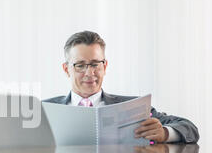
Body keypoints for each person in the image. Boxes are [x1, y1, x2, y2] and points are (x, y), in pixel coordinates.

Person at [44, 31, 199, 143]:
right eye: (80, 65)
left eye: (95, 64)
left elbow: (189, 128)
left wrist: (164, 133)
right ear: (66, 69)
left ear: (105, 66)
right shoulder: (44, 110)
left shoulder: (134, 107)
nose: (89, 72)